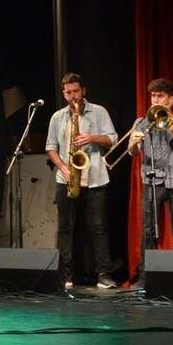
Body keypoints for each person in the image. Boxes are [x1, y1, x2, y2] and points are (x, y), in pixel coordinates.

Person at [46, 72, 118, 291]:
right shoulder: (58, 117)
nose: (72, 96)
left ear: (83, 91)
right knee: (65, 229)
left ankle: (104, 274)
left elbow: (112, 139)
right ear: (63, 93)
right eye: (68, 92)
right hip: (66, 178)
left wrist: (92, 137)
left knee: (98, 228)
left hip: (95, 178)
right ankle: (66, 275)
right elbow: (51, 148)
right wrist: (63, 167)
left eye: (75, 91)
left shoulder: (98, 111)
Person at [127, 78, 173, 282]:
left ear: (171, 99)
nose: (155, 100)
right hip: (151, 180)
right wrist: (134, 143)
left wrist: (170, 124)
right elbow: (132, 152)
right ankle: (146, 276)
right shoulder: (141, 122)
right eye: (153, 96)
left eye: (160, 96)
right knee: (148, 230)